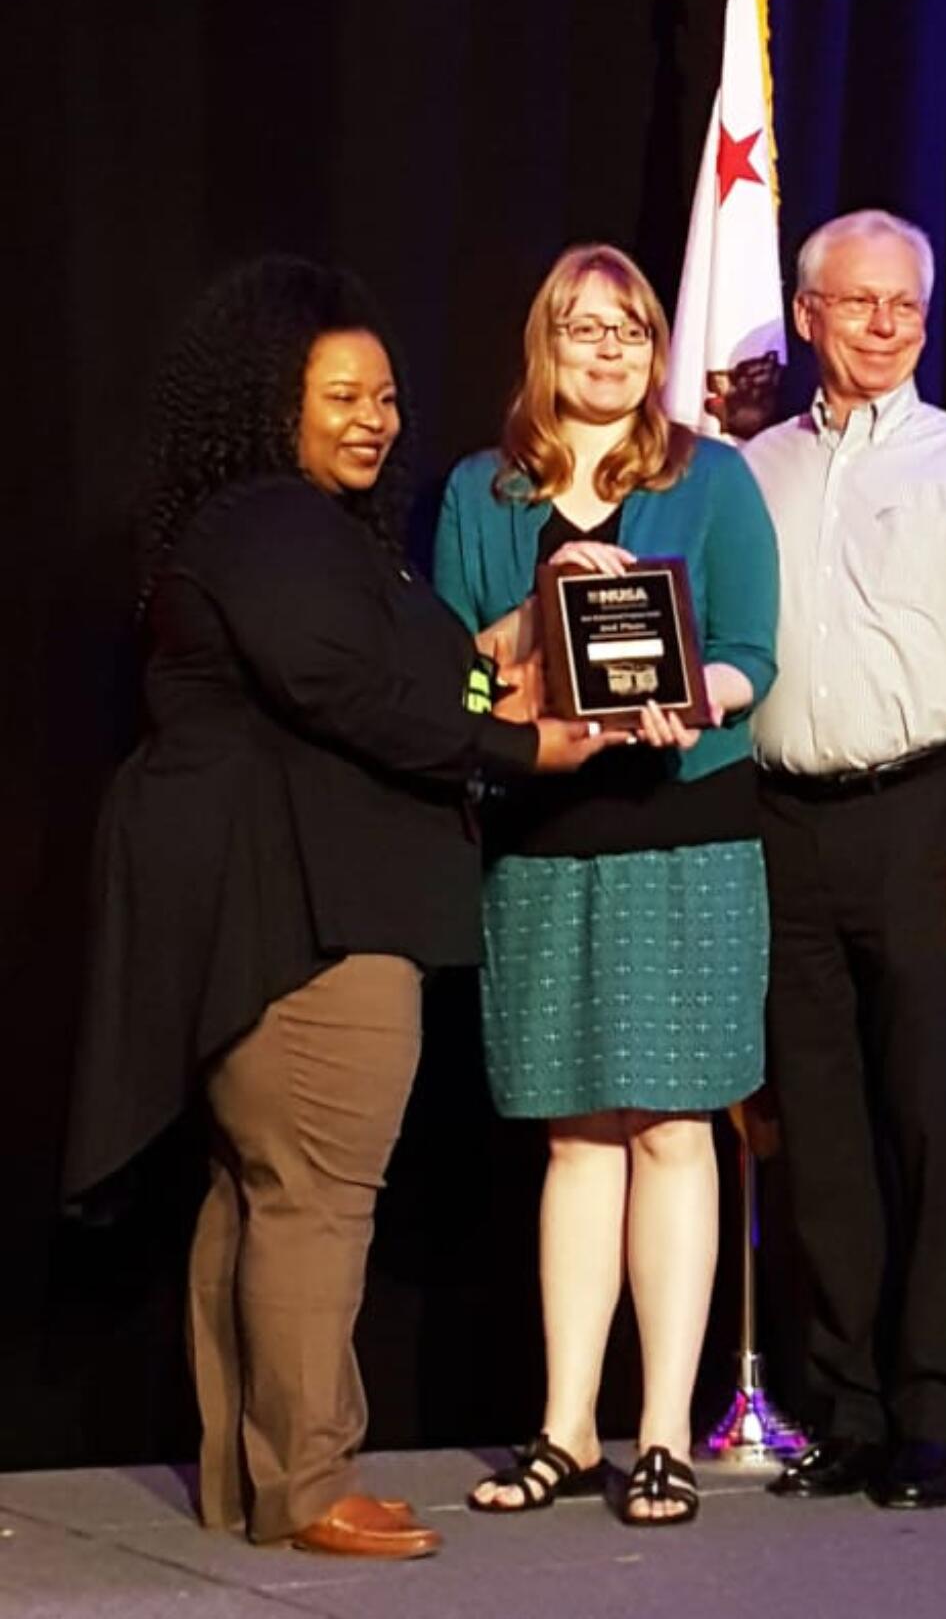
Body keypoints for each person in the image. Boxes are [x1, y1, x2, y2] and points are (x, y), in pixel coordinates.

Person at [63, 256, 614, 1559]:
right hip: (304, 915)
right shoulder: (272, 529)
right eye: (340, 395)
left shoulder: (302, 540)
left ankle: (247, 1478)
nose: (374, 418)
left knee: (260, 1193)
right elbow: (346, 691)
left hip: (280, 911)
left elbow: (413, 680)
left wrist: (503, 685)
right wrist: (529, 749)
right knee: (315, 1195)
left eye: (386, 397)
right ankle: (308, 1484)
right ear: (270, 403)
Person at [434, 243, 778, 1525]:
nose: (608, 347)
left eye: (628, 327)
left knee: (675, 1126)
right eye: (582, 328)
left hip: (685, 831)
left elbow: (751, 653)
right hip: (545, 837)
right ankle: (565, 1425)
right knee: (575, 1132)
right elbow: (456, 674)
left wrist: (692, 704)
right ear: (546, 343)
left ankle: (663, 1432)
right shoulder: (482, 490)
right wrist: (531, 621)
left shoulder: (716, 480)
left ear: (651, 346)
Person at [744, 209, 946, 1511]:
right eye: (858, 304)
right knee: (814, 1135)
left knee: (927, 1120)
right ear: (807, 314)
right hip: (776, 823)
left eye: (905, 308)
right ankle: (849, 1410)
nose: (882, 327)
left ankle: (936, 1414)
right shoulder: (746, 467)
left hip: (922, 818)